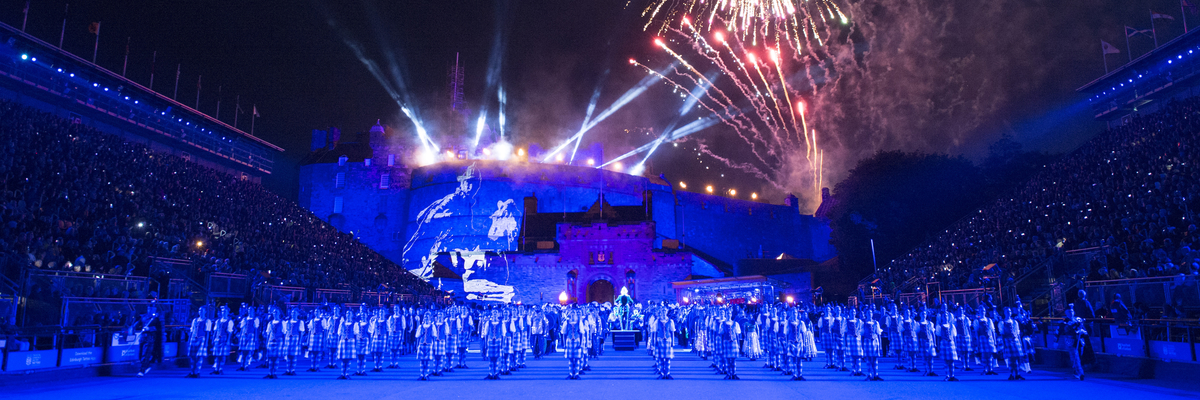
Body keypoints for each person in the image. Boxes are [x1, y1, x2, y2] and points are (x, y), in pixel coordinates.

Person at [132, 305, 162, 377]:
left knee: (145, 355)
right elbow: (137, 323)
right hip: (142, 338)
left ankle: (141, 371)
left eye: (152, 309)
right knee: (140, 355)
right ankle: (147, 366)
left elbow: (159, 329)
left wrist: (149, 329)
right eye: (149, 309)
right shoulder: (144, 317)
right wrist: (134, 326)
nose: (150, 310)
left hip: (150, 339)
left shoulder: (156, 319)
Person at [999, 307, 1025, 380]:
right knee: (1011, 358)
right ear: (1004, 313)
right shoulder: (1002, 323)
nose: (1009, 313)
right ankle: (1012, 373)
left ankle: (1017, 373)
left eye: (1010, 311)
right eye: (1007, 311)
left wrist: (1020, 343)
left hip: (1015, 340)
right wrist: (1004, 344)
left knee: (1018, 357)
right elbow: (1002, 334)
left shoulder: (1015, 322)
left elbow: (1018, 333)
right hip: (1008, 341)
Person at [186, 305, 211, 378]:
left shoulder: (207, 321)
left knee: (199, 356)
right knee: (192, 356)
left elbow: (207, 332)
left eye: (202, 310)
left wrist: (206, 343)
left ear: (205, 311)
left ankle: (197, 372)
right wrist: (189, 340)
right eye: (200, 310)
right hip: (193, 338)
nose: (200, 312)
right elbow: (191, 330)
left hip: (201, 339)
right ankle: (192, 372)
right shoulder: (195, 320)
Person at [561, 306, 586, 379]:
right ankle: (571, 374)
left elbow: (582, 333)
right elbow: (563, 333)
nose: (572, 314)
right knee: (570, 359)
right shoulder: (566, 322)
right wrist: (564, 344)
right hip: (569, 341)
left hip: (577, 341)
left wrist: (581, 343)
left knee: (577, 358)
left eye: (574, 313)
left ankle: (577, 374)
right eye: (571, 312)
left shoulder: (579, 322)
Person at [974, 305, 999, 376]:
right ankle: (985, 369)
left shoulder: (989, 320)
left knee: (990, 354)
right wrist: (977, 341)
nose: (983, 312)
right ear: (979, 312)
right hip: (982, 338)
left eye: (984, 311)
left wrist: (994, 340)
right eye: (981, 311)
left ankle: (990, 369)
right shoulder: (977, 321)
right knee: (984, 354)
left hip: (989, 338)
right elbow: (976, 331)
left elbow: (993, 331)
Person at [209, 305, 234, 375]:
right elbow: (215, 331)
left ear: (228, 312)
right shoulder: (218, 321)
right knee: (217, 355)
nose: (223, 313)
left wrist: (228, 340)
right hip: (217, 338)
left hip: (224, 339)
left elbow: (229, 332)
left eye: (225, 311)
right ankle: (216, 369)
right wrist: (213, 339)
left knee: (222, 355)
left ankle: (220, 368)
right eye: (222, 311)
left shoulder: (229, 321)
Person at [1064, 306, 1087, 380]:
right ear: (1066, 313)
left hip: (1079, 341)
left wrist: (1083, 332)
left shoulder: (1078, 320)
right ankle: (1080, 373)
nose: (1071, 313)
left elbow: (1085, 331)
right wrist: (1056, 341)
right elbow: (1065, 330)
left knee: (1079, 356)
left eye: (1072, 311)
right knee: (1075, 357)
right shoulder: (1065, 321)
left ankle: (1076, 371)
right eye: (1069, 312)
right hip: (1071, 341)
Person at [936, 305, 959, 381]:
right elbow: (938, 336)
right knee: (945, 361)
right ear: (942, 318)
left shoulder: (952, 326)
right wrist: (938, 346)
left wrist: (955, 345)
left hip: (951, 343)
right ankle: (947, 375)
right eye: (944, 316)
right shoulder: (939, 326)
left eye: (946, 316)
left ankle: (952, 375)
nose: (945, 317)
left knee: (951, 361)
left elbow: (954, 336)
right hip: (943, 343)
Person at [482, 308, 505, 380]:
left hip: (498, 341)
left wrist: (502, 344)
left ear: (498, 314)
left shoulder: (501, 323)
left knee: (497, 358)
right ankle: (490, 373)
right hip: (490, 341)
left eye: (496, 312)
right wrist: (485, 343)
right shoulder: (488, 322)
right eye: (493, 312)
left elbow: (503, 334)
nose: (495, 314)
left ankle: (495, 373)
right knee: (490, 358)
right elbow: (486, 334)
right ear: (492, 314)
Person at [236, 304, 261, 371]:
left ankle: (246, 365)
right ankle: (242, 365)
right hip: (244, 335)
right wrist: (240, 336)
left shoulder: (255, 319)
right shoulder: (244, 319)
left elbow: (256, 329)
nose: (250, 311)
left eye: (251, 310)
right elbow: (242, 328)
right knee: (243, 351)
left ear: (253, 311)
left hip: (251, 335)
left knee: (248, 351)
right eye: (249, 310)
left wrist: (256, 338)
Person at [336, 309, 358, 379]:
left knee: (348, 359)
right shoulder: (342, 323)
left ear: (352, 315)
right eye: (347, 313)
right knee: (343, 359)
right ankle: (342, 374)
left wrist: (355, 344)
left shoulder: (355, 324)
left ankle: (347, 374)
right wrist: (338, 343)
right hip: (342, 341)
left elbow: (356, 335)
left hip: (350, 341)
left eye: (349, 314)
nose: (348, 315)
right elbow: (339, 334)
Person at [282, 307, 305, 376]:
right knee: (288, 355)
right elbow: (285, 332)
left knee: (294, 356)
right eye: (292, 313)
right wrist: (284, 341)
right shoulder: (287, 322)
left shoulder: (300, 322)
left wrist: (300, 341)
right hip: (288, 338)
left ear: (297, 314)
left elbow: (301, 333)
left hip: (295, 338)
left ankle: (292, 370)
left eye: (295, 313)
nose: (293, 314)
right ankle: (287, 370)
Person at [862, 309, 884, 381]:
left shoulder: (876, 323)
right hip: (867, 341)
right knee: (868, 359)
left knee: (875, 359)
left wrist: (880, 346)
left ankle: (876, 375)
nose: (870, 314)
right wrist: (862, 346)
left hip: (875, 341)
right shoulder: (864, 323)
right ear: (866, 314)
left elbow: (878, 334)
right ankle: (869, 374)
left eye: (871, 313)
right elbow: (862, 335)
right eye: (868, 313)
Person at [263, 306, 285, 379]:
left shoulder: (282, 322)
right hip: (271, 340)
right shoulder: (270, 323)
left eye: (276, 312)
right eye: (274, 312)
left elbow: (284, 333)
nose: (275, 313)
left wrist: (284, 344)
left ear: (279, 313)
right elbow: (268, 334)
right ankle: (270, 373)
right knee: (270, 358)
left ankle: (274, 373)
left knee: (276, 358)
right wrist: (267, 342)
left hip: (279, 341)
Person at [305, 307, 329, 372]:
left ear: (319, 312)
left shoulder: (323, 320)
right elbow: (310, 330)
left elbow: (325, 330)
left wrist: (325, 338)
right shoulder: (312, 320)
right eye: (315, 311)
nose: (316, 313)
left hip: (319, 336)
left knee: (318, 353)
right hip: (312, 336)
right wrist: (308, 339)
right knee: (312, 353)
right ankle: (312, 367)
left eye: (317, 311)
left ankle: (317, 367)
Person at [416, 311, 438, 380]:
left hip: (429, 344)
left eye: (427, 317)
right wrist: (417, 345)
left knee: (427, 361)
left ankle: (426, 374)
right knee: (422, 361)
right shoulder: (420, 326)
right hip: (421, 344)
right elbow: (418, 337)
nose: (426, 318)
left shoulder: (432, 326)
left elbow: (434, 336)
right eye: (425, 317)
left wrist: (434, 346)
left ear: (430, 318)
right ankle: (421, 374)